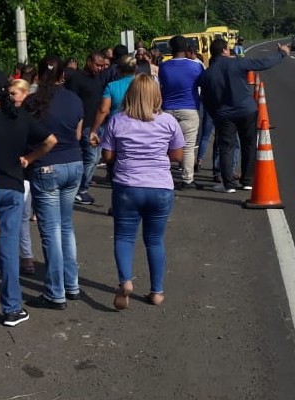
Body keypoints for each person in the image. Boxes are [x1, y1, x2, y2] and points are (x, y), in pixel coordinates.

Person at [0, 68, 57, 327]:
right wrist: (29, 159)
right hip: (14, 187)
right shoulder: (20, 115)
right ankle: (11, 308)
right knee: (9, 249)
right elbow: (51, 140)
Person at [100, 74, 185, 310]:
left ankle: (125, 281)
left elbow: (107, 155)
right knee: (155, 240)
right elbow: (177, 156)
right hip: (159, 187)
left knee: (125, 237)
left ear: (130, 94)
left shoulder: (118, 120)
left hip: (127, 186)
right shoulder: (168, 121)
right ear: (156, 95)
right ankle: (157, 291)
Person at [24, 55, 84, 310]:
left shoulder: (32, 102)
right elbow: (78, 134)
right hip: (74, 164)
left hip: (46, 166)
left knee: (50, 231)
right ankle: (72, 285)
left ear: (37, 75)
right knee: (65, 227)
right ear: (63, 75)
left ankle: (55, 292)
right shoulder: (74, 99)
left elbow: (26, 135)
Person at [200, 39, 290, 193]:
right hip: (246, 110)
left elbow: (206, 100)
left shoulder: (207, 74)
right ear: (224, 50)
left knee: (226, 148)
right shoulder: (238, 63)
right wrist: (282, 53)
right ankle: (247, 181)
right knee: (248, 145)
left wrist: (216, 114)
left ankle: (228, 184)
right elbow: (263, 63)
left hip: (224, 114)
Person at [158, 35, 204, 190]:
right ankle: (187, 179)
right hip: (189, 108)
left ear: (171, 48)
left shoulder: (164, 66)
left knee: (165, 145)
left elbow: (161, 86)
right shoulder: (196, 66)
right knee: (189, 146)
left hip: (168, 109)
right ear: (186, 48)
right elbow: (201, 85)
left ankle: (163, 176)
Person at [65, 51, 107, 206]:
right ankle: (80, 190)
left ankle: (81, 188)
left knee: (95, 159)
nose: (100, 68)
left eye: (102, 66)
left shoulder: (97, 78)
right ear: (88, 61)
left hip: (97, 124)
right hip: (84, 125)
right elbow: (71, 101)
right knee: (90, 157)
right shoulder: (77, 78)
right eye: (97, 65)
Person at [8, 79, 37, 274]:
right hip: (20, 175)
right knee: (19, 220)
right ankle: (24, 257)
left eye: (13, 94)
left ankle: (26, 257)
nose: (10, 97)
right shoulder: (13, 116)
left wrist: (28, 158)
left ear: (25, 94)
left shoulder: (28, 118)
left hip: (26, 175)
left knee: (21, 220)